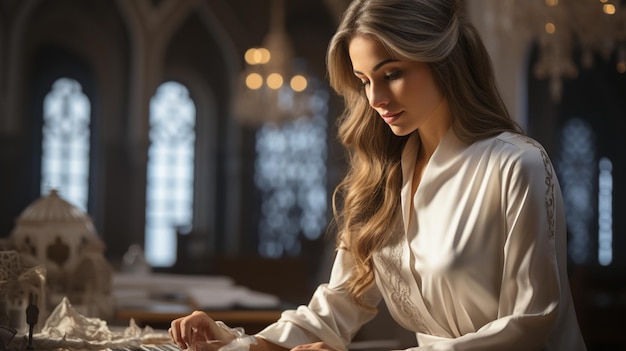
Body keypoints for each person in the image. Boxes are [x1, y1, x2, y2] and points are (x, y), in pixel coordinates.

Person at [169, 0, 588, 350]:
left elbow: (532, 323)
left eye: (392, 74)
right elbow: (337, 304)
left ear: (442, 61)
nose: (376, 98)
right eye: (364, 80)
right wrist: (236, 344)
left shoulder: (516, 165)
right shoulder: (381, 176)